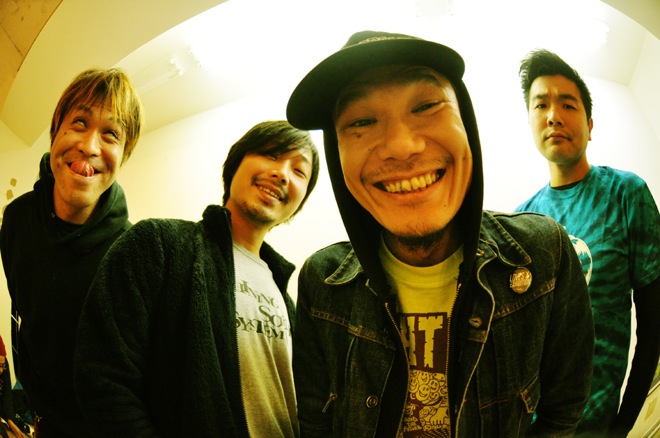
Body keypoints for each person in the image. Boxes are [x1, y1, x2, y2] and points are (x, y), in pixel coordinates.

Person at [285, 30, 595, 437]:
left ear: (466, 123)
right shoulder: (320, 282)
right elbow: (316, 422)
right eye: (361, 121)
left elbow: (564, 410)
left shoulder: (544, 255)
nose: (401, 146)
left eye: (427, 106)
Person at [74, 120, 320, 436]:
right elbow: (103, 379)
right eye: (272, 155)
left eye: (299, 171)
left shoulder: (286, 298)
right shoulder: (159, 244)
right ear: (236, 163)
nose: (283, 173)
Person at [515, 49, 660, 437]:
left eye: (568, 104)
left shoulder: (626, 194)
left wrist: (622, 425)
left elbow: (653, 326)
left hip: (594, 426)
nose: (554, 116)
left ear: (589, 124)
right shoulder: (522, 221)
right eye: (541, 104)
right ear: (531, 122)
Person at [0, 68, 144, 437]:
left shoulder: (133, 256)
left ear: (123, 155)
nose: (90, 146)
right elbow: (26, 314)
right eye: (79, 122)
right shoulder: (16, 220)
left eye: (110, 134)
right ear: (56, 132)